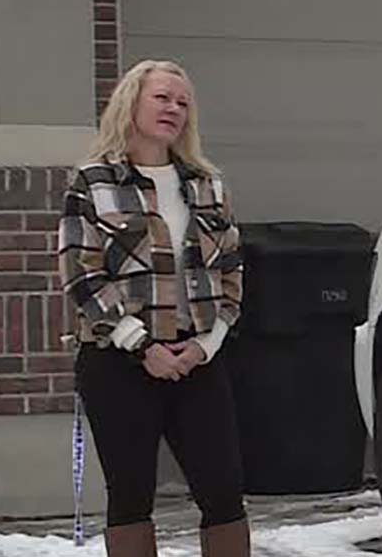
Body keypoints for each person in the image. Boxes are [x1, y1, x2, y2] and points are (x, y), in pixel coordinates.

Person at [58, 60, 249, 556]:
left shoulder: (208, 185)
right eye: (162, 98)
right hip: (118, 361)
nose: (173, 110)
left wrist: (205, 347)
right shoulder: (93, 182)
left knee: (224, 492)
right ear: (132, 102)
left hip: (196, 361)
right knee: (131, 495)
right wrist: (139, 344)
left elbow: (231, 272)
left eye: (183, 103)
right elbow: (81, 273)